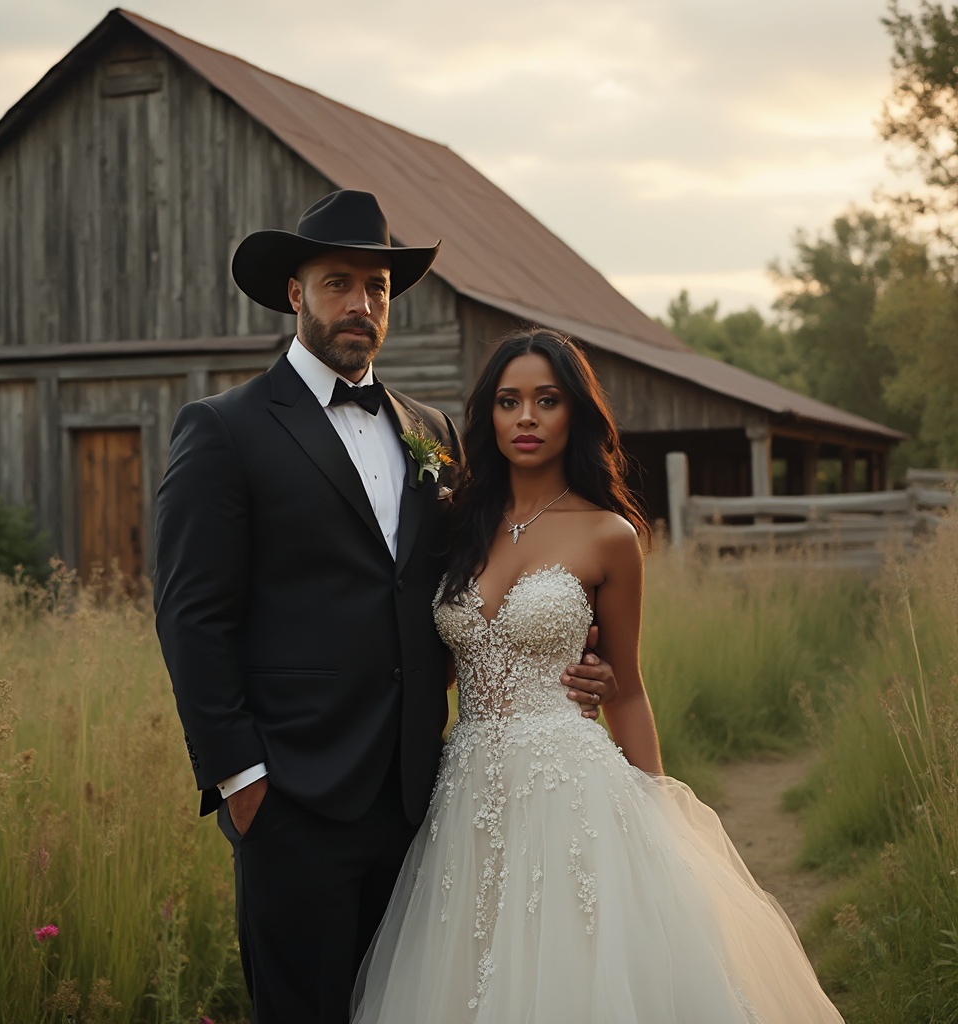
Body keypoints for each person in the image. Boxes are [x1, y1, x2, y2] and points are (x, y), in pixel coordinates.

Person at [153, 192, 618, 1024]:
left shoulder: (429, 430)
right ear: (295, 293)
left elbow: (469, 585)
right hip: (293, 798)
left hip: (422, 799)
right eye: (338, 283)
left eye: (377, 287)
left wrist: (571, 658)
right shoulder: (225, 430)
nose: (361, 303)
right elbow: (191, 616)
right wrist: (242, 781)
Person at [350, 328, 846, 1023]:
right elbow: (436, 656)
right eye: (509, 401)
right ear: (489, 416)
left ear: (574, 413)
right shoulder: (455, 525)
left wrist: (659, 811)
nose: (526, 417)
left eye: (547, 400)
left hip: (569, 785)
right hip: (466, 787)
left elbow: (628, 687)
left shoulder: (609, 535)